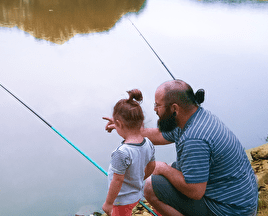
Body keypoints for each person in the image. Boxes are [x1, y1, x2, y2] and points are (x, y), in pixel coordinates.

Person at [104, 80, 258, 216]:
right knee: (173, 168)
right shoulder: (193, 117)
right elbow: (159, 135)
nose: (154, 109)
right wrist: (126, 127)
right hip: (239, 199)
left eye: (157, 105)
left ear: (174, 108)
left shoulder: (194, 139)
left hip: (229, 210)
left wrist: (163, 168)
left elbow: (195, 192)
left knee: (151, 185)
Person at [102, 89, 156, 216]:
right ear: (141, 122)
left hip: (120, 201)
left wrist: (109, 203)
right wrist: (137, 179)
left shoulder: (121, 153)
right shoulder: (148, 143)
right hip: (135, 195)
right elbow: (152, 166)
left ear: (119, 123)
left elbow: (117, 181)